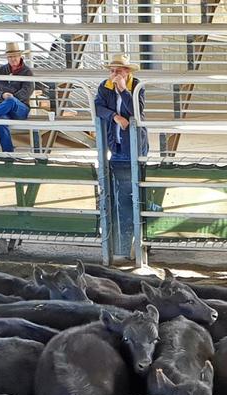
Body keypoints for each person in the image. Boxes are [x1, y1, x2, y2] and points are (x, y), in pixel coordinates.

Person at [94, 55, 147, 258]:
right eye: (112, 71)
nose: (114, 74)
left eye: (119, 70)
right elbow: (98, 107)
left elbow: (137, 112)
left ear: (127, 71)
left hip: (133, 146)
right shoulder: (104, 86)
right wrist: (115, 117)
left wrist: (124, 90)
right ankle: (125, 244)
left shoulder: (137, 87)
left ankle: (132, 242)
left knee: (130, 193)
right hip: (115, 145)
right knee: (120, 194)